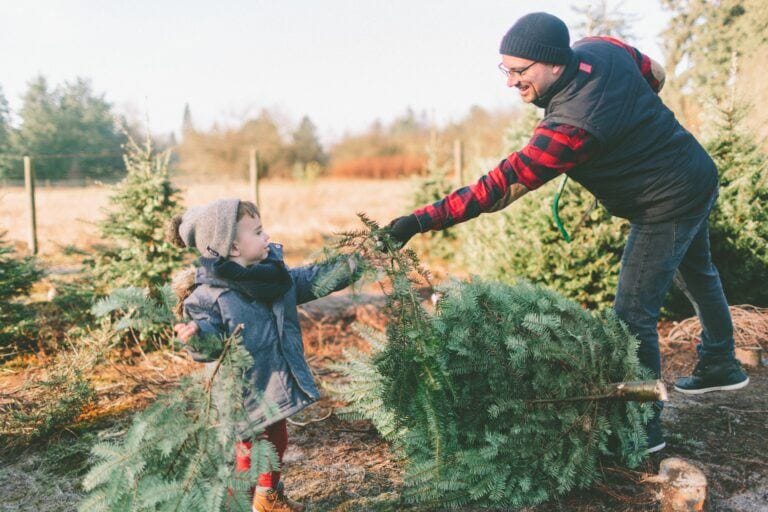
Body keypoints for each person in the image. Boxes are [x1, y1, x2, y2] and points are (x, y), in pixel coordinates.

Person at [386, 12, 748, 454]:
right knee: (698, 272)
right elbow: (655, 72)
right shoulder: (603, 48)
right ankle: (721, 365)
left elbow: (498, 187)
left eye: (520, 71)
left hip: (666, 201)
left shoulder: (570, 127)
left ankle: (642, 431)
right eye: (506, 69)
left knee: (632, 315)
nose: (510, 82)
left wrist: (420, 220)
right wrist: (629, 115)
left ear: (555, 63)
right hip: (695, 172)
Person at [169, 199, 358, 512]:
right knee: (250, 455)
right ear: (231, 248)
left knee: (276, 442)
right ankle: (241, 505)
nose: (267, 235)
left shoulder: (273, 278)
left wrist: (356, 263)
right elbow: (209, 340)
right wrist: (197, 338)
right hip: (244, 394)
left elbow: (313, 278)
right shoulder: (209, 297)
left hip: (273, 384)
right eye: (257, 232)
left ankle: (267, 497)